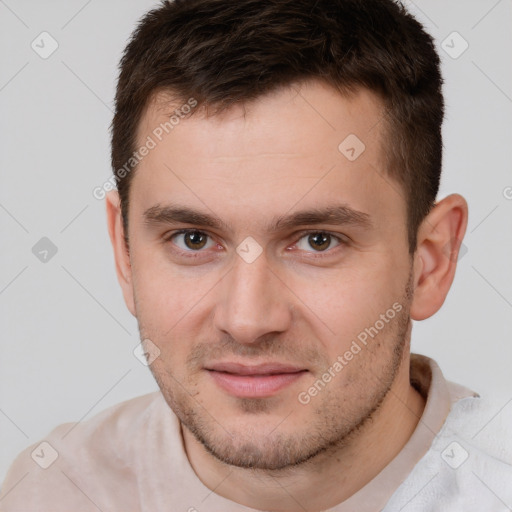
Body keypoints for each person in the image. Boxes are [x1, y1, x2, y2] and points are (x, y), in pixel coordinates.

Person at [1, 0, 511, 510]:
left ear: (430, 261)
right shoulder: (52, 493)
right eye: (193, 239)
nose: (247, 320)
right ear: (126, 253)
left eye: (318, 241)